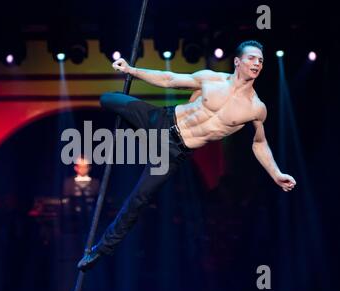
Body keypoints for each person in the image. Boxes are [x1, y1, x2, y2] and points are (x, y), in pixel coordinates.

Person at [77, 40, 296, 271]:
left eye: (260, 60)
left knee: (139, 199)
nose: (257, 63)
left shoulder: (256, 108)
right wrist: (131, 70)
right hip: (162, 121)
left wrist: (276, 173)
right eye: (252, 58)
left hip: (173, 151)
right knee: (108, 99)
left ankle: (101, 250)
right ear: (237, 62)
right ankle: (139, 134)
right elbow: (168, 79)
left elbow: (259, 143)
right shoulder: (211, 79)